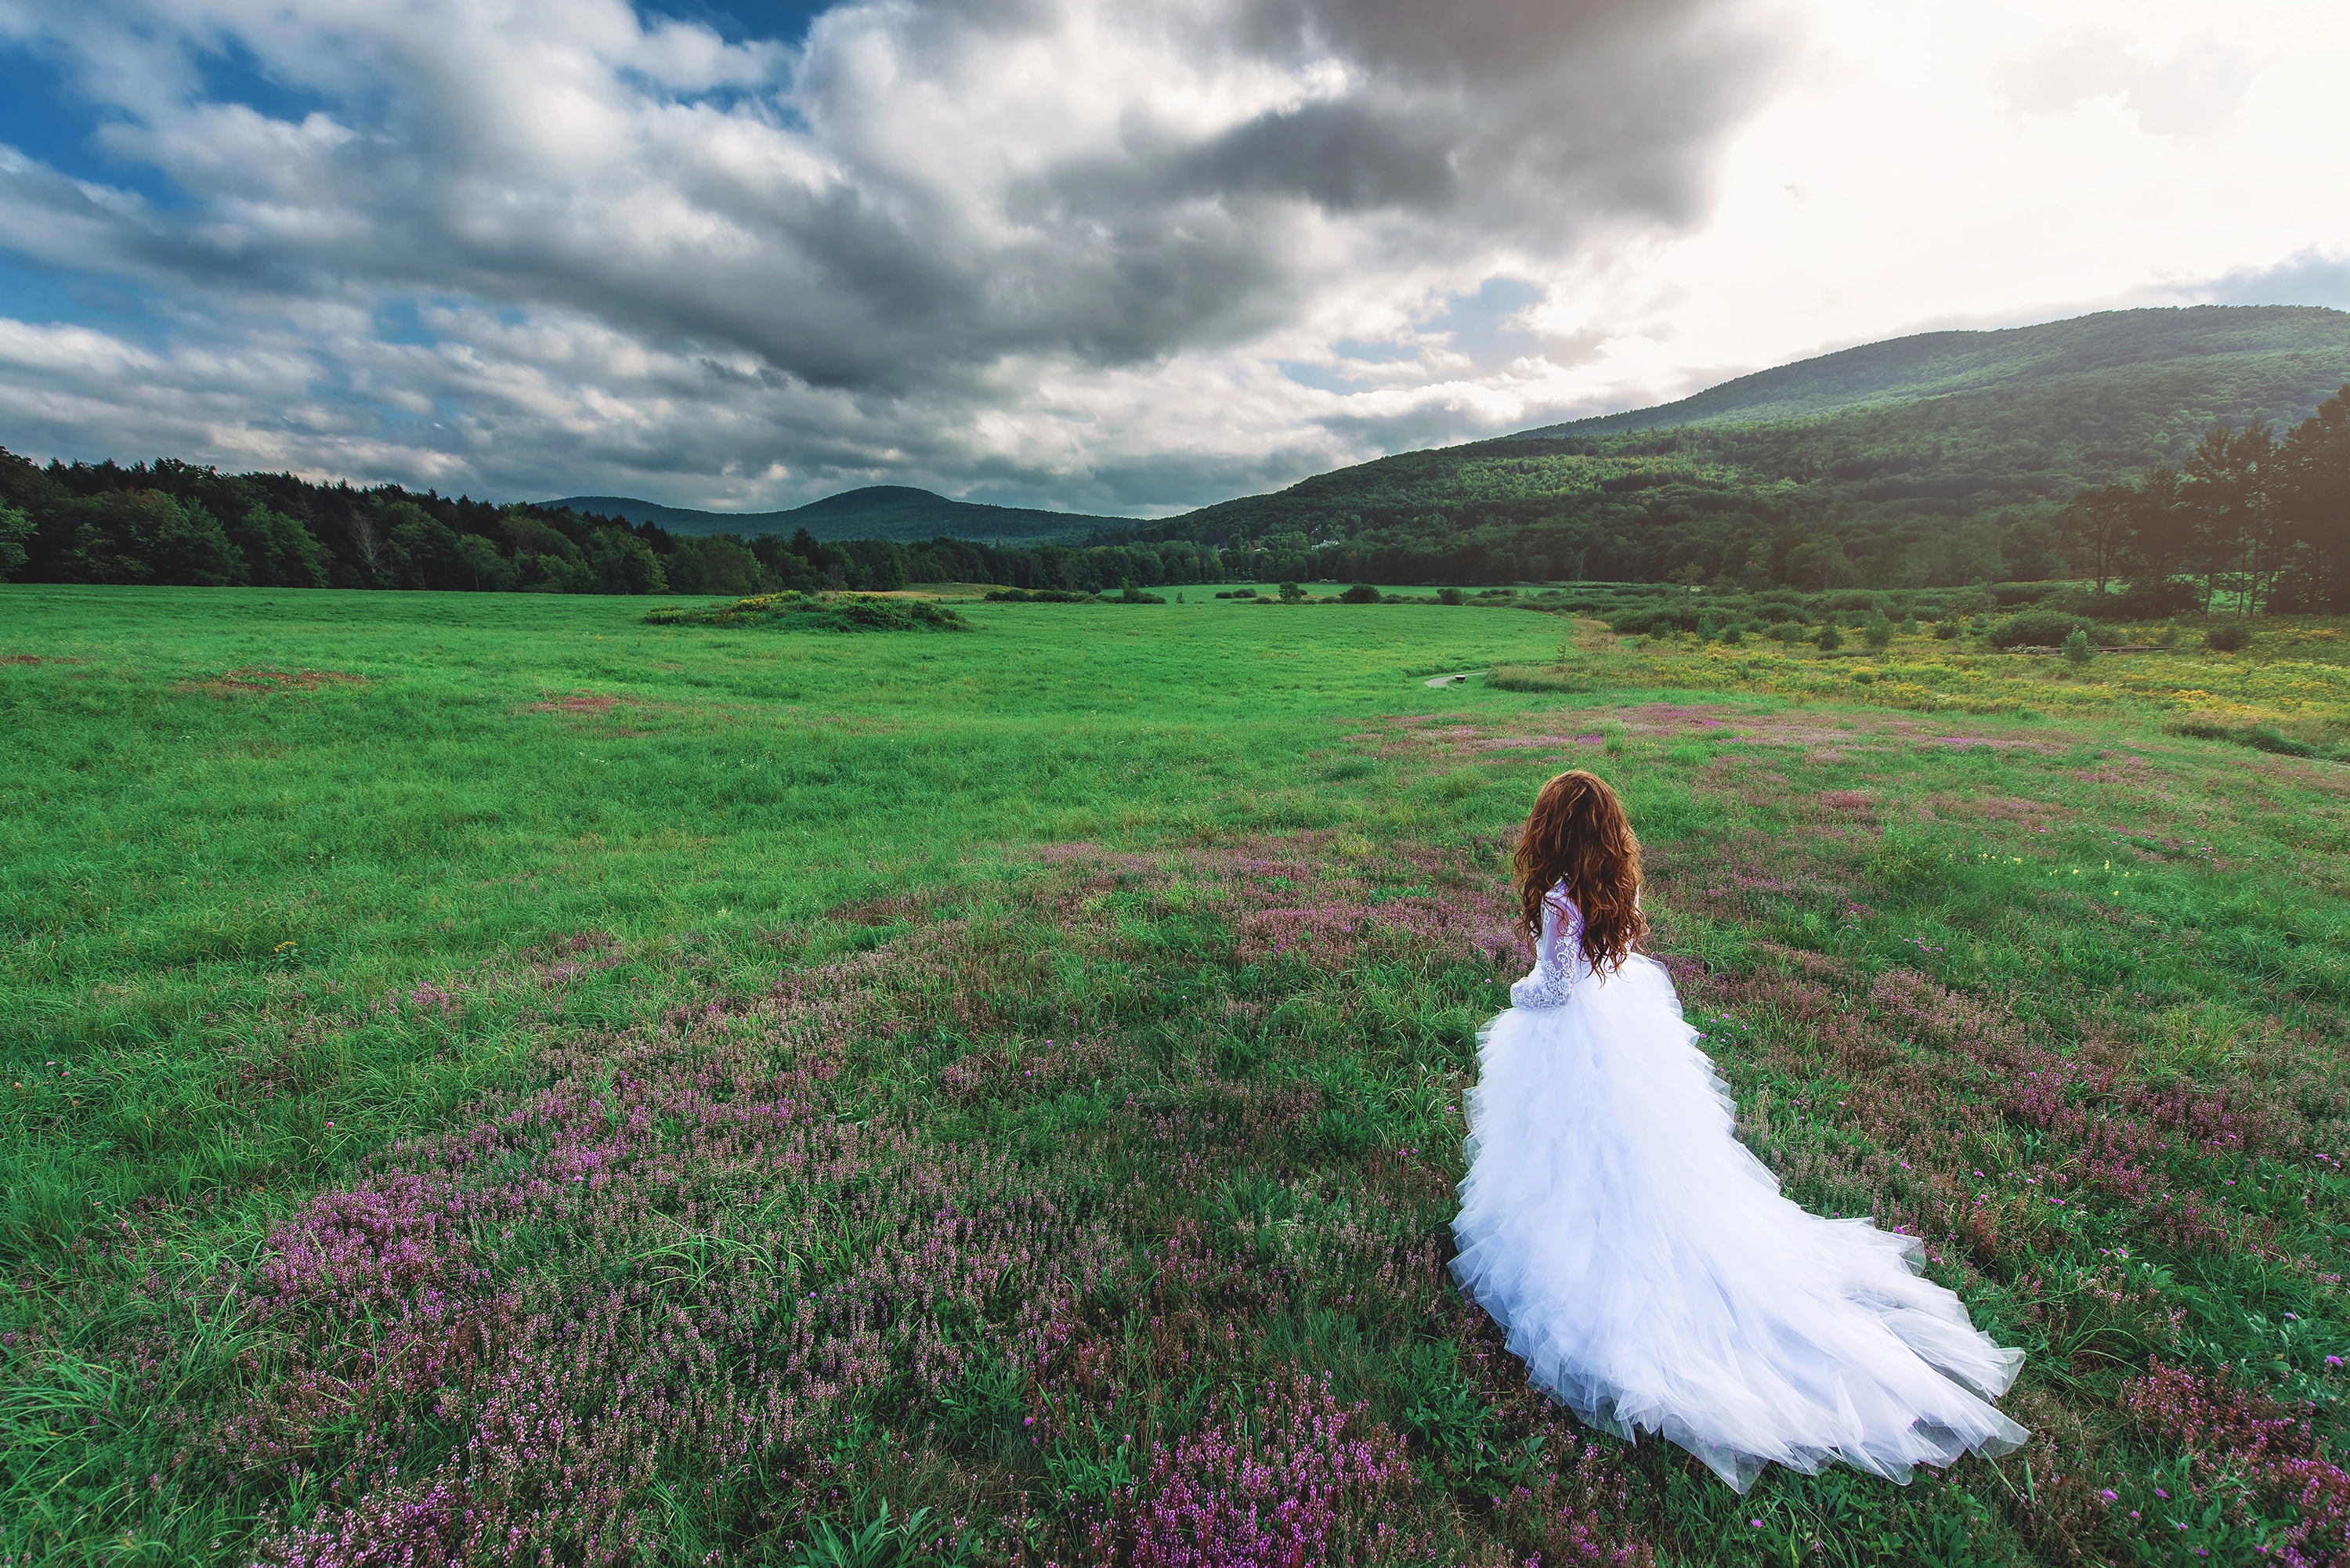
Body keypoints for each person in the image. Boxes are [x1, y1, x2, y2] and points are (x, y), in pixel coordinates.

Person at [1450, 770, 2026, 1492]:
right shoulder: (1611, 887)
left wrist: (1515, 991)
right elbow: (1604, 967)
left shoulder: (1562, 899)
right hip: (1619, 1028)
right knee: (1633, 1154)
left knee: (1567, 1152)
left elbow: (1556, 989)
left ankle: (1581, 1251)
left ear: (1550, 831)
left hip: (1571, 1038)